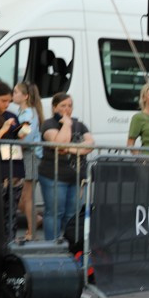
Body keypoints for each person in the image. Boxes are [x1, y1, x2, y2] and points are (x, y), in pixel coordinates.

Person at [39, 92, 93, 241]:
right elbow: (60, 142)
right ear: (54, 107)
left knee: (73, 214)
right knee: (55, 213)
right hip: (54, 176)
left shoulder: (80, 125)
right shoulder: (48, 124)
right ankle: (52, 246)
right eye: (63, 105)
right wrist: (67, 124)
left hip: (77, 177)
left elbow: (90, 144)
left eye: (69, 105)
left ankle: (70, 244)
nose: (67, 109)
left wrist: (68, 149)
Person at [13, 81, 43, 241]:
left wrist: (11, 137)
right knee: (19, 196)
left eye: (16, 92)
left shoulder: (28, 114)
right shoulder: (25, 112)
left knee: (27, 196)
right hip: (26, 156)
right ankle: (35, 219)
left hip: (30, 156)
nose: (13, 95)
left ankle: (31, 232)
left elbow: (25, 137)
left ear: (25, 96)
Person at [0, 81, 25, 240]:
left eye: (9, 101)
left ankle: (11, 243)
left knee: (12, 211)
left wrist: (22, 132)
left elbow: (17, 138)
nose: (7, 104)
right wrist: (4, 129)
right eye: (3, 101)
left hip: (15, 168)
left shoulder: (12, 115)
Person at [126, 82, 149, 152]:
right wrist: (141, 159)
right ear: (144, 98)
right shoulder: (138, 117)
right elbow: (130, 144)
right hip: (148, 159)